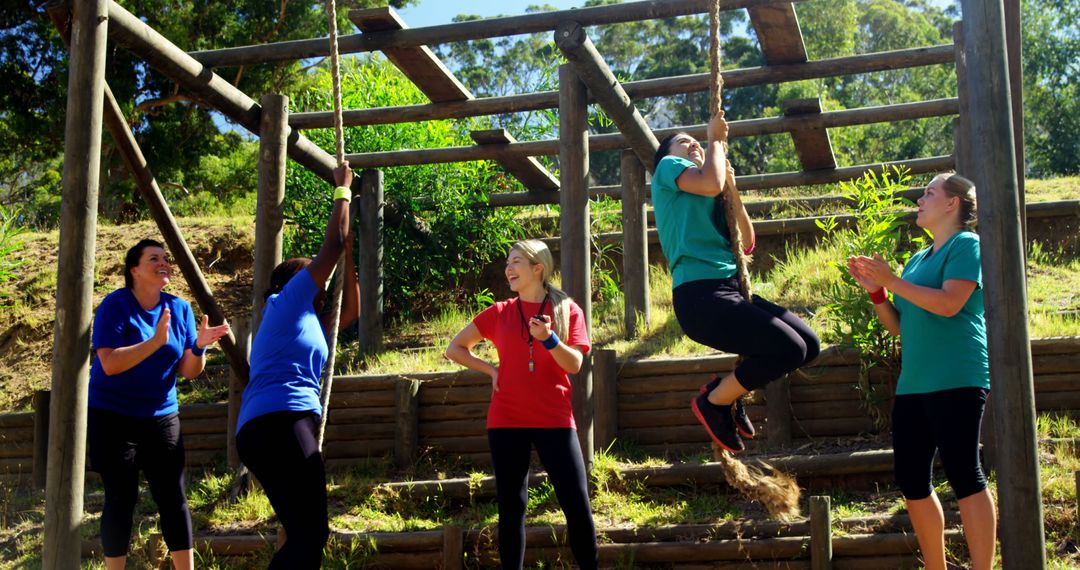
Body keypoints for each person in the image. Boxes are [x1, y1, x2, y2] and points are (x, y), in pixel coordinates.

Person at [847, 173, 995, 570]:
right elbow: (900, 326)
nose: (920, 198)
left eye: (930, 192)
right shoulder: (917, 259)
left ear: (952, 204)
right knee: (911, 481)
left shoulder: (967, 244)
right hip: (914, 383)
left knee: (965, 473)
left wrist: (891, 279)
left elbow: (949, 304)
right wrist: (877, 292)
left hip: (958, 376)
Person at [652, 111, 821, 453]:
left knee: (808, 344)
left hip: (730, 291)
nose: (694, 143)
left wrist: (733, 189)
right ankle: (714, 402)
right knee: (790, 348)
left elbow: (746, 243)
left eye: (697, 141)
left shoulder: (713, 190)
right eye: (686, 142)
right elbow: (708, 181)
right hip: (701, 297)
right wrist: (715, 139)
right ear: (670, 153)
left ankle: (726, 394)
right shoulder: (667, 168)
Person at [235, 163, 361, 569]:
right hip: (280, 422)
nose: (321, 286)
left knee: (307, 534)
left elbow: (351, 311)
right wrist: (342, 190)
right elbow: (332, 248)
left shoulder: (309, 323)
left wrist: (349, 254)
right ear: (295, 280)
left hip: (271, 426)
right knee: (311, 533)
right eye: (315, 279)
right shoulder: (286, 303)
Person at [445, 239, 598, 570]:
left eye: (516, 262)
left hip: (555, 419)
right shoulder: (499, 312)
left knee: (576, 502)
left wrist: (549, 339)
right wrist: (491, 370)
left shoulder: (567, 309)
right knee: (512, 506)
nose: (508, 269)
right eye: (507, 263)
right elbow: (455, 348)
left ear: (537, 268)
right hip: (506, 420)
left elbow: (574, 365)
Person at [89, 239, 231, 570]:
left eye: (166, 258)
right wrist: (154, 343)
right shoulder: (115, 305)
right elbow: (108, 364)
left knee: (173, 498)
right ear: (134, 270)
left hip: (161, 417)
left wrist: (198, 347)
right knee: (121, 499)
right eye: (154, 258)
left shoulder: (178, 308)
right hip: (113, 417)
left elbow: (188, 371)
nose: (163, 263)